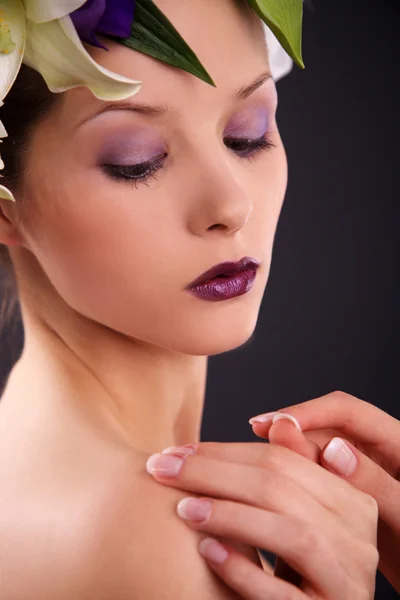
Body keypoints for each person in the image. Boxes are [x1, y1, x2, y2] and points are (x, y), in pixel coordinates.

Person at [0, 1, 380, 598]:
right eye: (137, 161)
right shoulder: (159, 535)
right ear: (3, 201)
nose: (231, 206)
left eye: (247, 134)